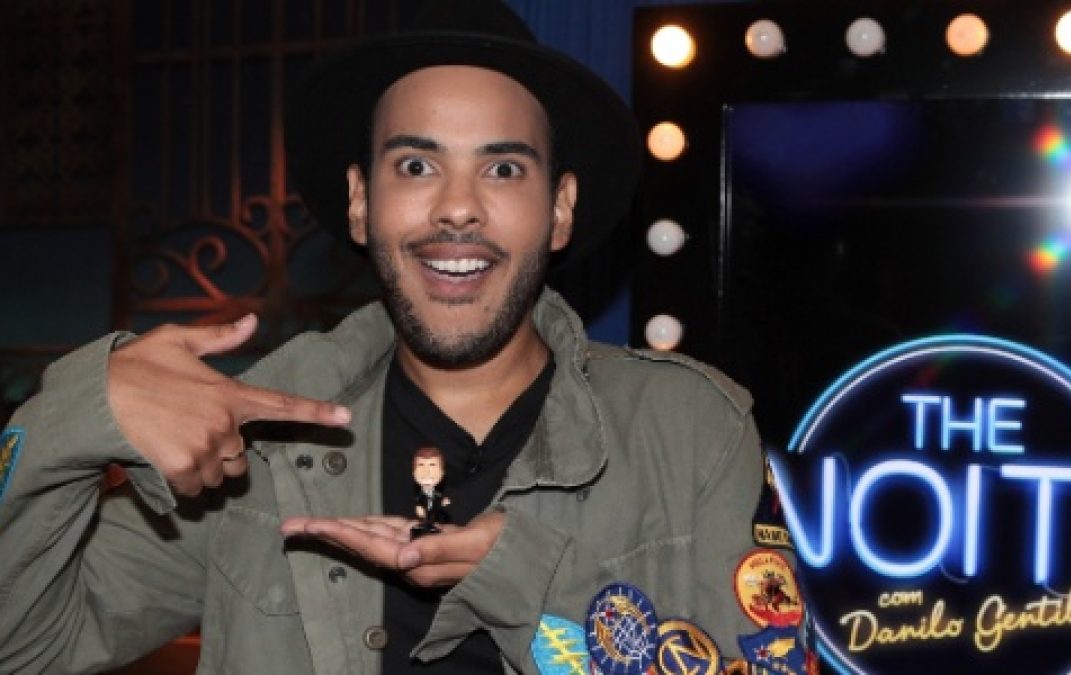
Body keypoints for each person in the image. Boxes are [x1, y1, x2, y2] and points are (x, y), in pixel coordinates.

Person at [0, 1, 815, 673]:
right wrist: (76, 417)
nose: (457, 207)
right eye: (417, 166)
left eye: (503, 168)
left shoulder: (690, 429)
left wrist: (532, 584)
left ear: (560, 208)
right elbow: (25, 645)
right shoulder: (262, 453)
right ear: (361, 202)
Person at [411, 447, 450, 536]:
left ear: (442, 473)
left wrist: (443, 502)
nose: (427, 472)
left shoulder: (437, 495)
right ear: (413, 472)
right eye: (421, 465)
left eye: (432, 465)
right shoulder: (420, 496)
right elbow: (419, 501)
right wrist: (419, 507)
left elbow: (438, 502)